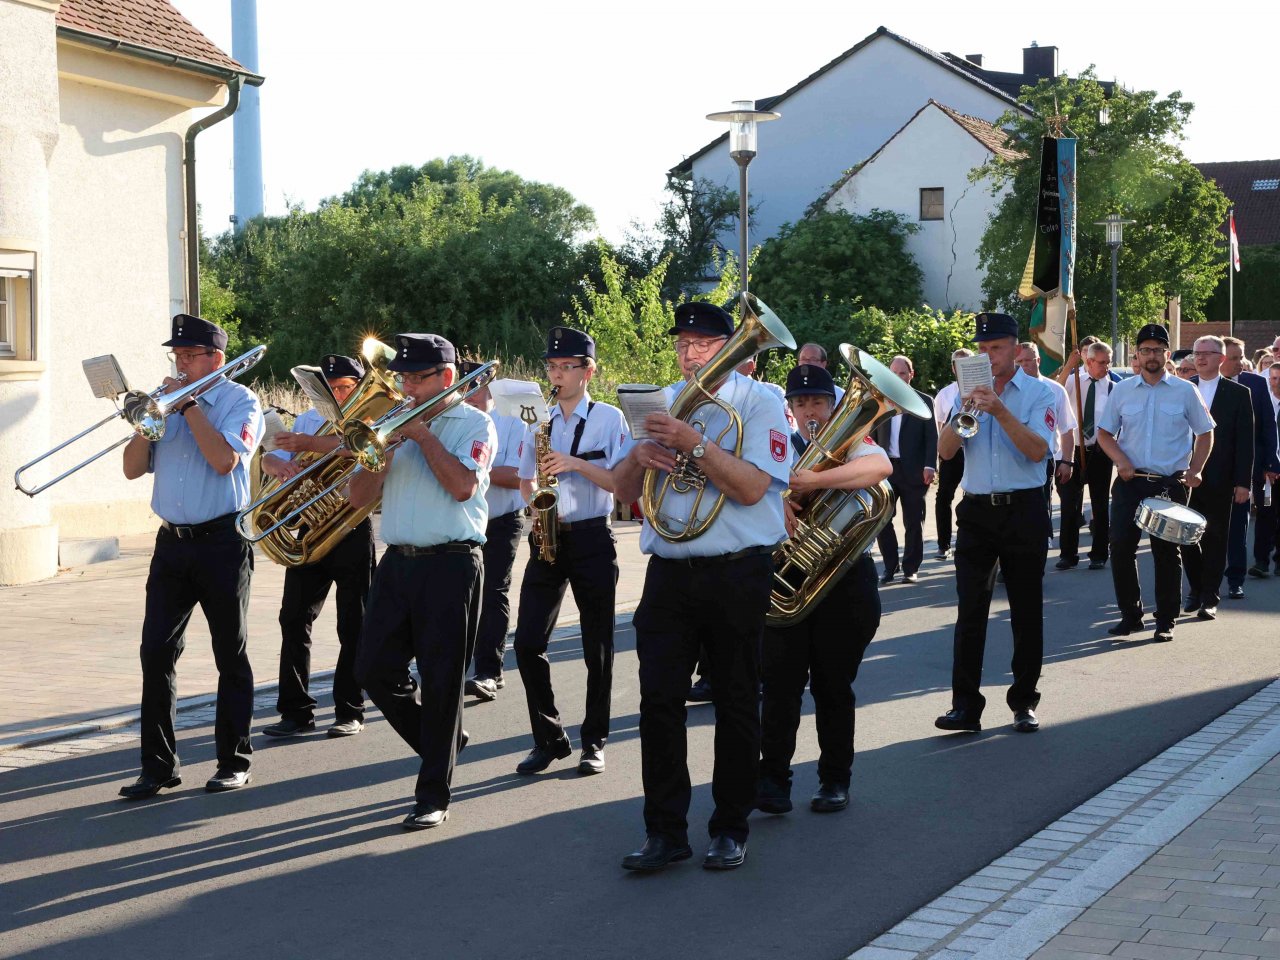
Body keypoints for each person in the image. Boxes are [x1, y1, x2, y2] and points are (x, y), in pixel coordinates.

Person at [613, 300, 791, 873]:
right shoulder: (661, 400)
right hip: (669, 573)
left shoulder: (761, 403)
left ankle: (730, 827)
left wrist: (694, 444)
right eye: (683, 342)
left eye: (704, 343)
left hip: (737, 570)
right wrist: (639, 455)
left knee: (737, 700)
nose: (690, 353)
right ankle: (664, 831)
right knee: (657, 703)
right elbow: (622, 491)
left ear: (731, 347)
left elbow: (751, 488)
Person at [349, 333, 496, 830]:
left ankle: (433, 794)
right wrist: (380, 452)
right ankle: (443, 741)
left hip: (451, 564)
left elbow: (461, 486)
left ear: (446, 378)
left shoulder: (475, 424)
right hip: (397, 562)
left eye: (418, 378)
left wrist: (423, 436)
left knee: (441, 680)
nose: (407, 388)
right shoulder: (391, 427)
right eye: (404, 378)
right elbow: (356, 498)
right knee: (370, 669)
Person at [118, 314, 264, 798]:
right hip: (171, 545)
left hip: (223, 540)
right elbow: (132, 470)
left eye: (189, 356)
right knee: (155, 652)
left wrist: (190, 405)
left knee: (231, 652)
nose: (180, 365)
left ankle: (233, 761)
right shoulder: (167, 406)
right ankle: (158, 766)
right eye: (176, 357)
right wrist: (148, 419)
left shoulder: (241, 401)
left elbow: (225, 461)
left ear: (216, 360)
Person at [757, 364, 889, 816]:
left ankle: (835, 780)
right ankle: (773, 780)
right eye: (801, 403)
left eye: (818, 402)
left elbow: (882, 467)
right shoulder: (774, 446)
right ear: (790, 409)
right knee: (779, 688)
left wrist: (813, 480)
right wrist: (777, 496)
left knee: (834, 687)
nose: (810, 411)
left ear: (833, 406)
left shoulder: (852, 444)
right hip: (786, 580)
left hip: (844, 581)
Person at [513, 326, 628, 776]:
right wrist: (536, 507)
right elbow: (525, 479)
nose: (557, 375)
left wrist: (575, 464)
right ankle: (549, 737)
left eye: (567, 367)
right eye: (553, 367)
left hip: (593, 537)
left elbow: (621, 485)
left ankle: (594, 741)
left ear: (588, 371)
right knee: (525, 644)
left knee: (596, 645)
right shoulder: (538, 421)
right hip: (547, 537)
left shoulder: (609, 419)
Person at [933, 313, 1056, 736]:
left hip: (1024, 509)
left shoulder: (1041, 393)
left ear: (1016, 349)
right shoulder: (960, 395)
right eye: (982, 349)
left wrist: (1000, 411)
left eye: (997, 348)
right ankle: (965, 706)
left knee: (1026, 610)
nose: (988, 356)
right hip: (977, 512)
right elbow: (946, 453)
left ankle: (1024, 703)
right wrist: (961, 412)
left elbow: (1038, 451)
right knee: (970, 611)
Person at [260, 354, 376, 740]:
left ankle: (350, 708)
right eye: (331, 388)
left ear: (358, 387)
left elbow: (366, 449)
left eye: (345, 387)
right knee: (293, 618)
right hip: (311, 529)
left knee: (353, 623)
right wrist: (271, 462)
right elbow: (278, 458)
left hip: (351, 528)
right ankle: (295, 710)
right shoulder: (308, 419)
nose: (338, 394)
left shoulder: (372, 417)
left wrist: (313, 444)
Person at [1096, 323, 1213, 643]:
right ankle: (1131, 616)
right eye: (1145, 350)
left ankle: (1166, 620)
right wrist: (1120, 460)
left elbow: (1205, 432)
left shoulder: (1185, 390)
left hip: (1169, 484)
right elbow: (1104, 433)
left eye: (1157, 350)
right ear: (1137, 354)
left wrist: (1197, 468)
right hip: (1130, 481)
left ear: (1166, 353)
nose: (1151, 356)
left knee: (1166, 552)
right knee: (1120, 547)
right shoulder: (1122, 390)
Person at [461, 360, 528, 703]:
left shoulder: (513, 418)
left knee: (494, 591)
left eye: (476, 390)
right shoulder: (455, 420)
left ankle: (490, 670)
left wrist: (473, 470)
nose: (468, 396)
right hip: (464, 520)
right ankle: (457, 667)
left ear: (492, 390)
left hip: (503, 518)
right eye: (463, 389)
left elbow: (517, 475)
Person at [1181, 337, 1253, 618]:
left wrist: (1243, 482)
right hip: (1185, 475)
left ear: (1221, 359)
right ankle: (1195, 589)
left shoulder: (1238, 393)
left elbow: (1244, 441)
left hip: (1222, 477)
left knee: (1215, 536)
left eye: (1206, 354)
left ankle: (1210, 595)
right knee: (1186, 535)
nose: (1199, 358)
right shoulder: (1184, 389)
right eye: (1196, 353)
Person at [1222, 336, 1280, 597]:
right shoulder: (1199, 386)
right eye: (1234, 358)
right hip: (1213, 467)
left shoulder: (1255, 383)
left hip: (1252, 466)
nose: (1241, 363)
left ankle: (1249, 569)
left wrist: (1270, 461)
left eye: (1241, 357)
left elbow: (1268, 424)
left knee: (1255, 515)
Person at [873, 355, 936, 583]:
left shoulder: (925, 401)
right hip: (886, 469)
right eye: (894, 372)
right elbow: (871, 434)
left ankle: (911, 568)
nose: (898, 377)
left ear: (911, 374)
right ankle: (890, 567)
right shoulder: (881, 400)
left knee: (913, 521)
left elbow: (932, 436)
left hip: (915, 470)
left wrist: (930, 465)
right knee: (882, 519)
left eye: (902, 372)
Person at [1058, 342, 1118, 571]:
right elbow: (1054, 391)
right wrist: (1067, 367)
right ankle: (1068, 554)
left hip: (1100, 451)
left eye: (1108, 361)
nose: (1106, 366)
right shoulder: (1074, 382)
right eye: (1101, 362)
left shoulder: (1113, 387)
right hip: (1072, 449)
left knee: (1100, 504)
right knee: (1069, 505)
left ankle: (1099, 553)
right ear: (1089, 362)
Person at [1017, 343, 1076, 535]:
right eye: (1020, 361)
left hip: (1044, 459)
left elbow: (1067, 429)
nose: (1024, 365)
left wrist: (1067, 461)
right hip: (1014, 459)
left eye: (1029, 360)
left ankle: (1041, 542)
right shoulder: (1006, 390)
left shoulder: (1055, 390)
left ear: (1038, 360)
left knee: (1039, 507)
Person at [933, 348, 973, 560]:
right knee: (943, 497)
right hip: (952, 452)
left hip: (974, 451)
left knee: (973, 496)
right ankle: (943, 544)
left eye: (967, 363)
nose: (962, 368)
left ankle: (969, 540)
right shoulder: (945, 394)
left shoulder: (982, 389)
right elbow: (938, 425)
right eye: (958, 364)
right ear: (953, 368)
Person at [1250, 364, 1280, 576]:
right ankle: (1261, 561)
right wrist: (1265, 465)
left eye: (1279, 378)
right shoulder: (1264, 402)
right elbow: (1260, 437)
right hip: (1266, 472)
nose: (1275, 382)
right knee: (1265, 514)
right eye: (1273, 378)